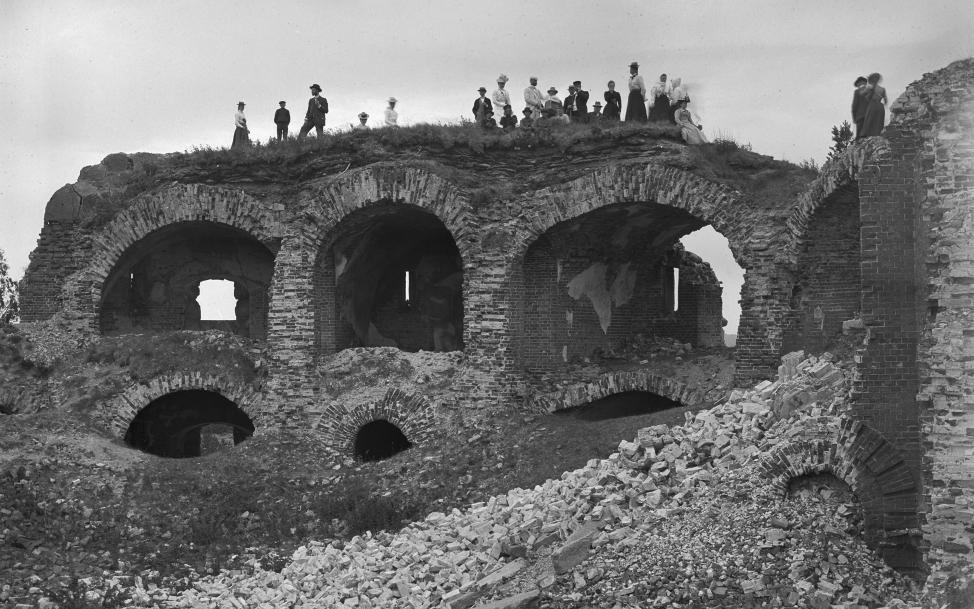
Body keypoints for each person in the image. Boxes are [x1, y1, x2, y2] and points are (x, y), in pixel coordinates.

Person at [860, 73, 887, 138]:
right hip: (880, 106)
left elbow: (861, 94)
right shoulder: (882, 89)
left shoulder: (870, 87)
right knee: (878, 121)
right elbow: (885, 100)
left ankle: (867, 136)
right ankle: (877, 135)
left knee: (869, 119)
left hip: (872, 105)